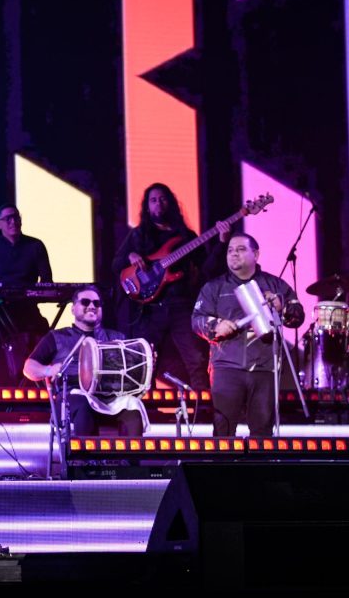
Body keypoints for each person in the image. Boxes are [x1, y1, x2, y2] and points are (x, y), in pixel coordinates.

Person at [112, 183, 230, 393]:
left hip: (181, 306)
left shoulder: (186, 236)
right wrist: (130, 255)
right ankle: (146, 407)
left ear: (171, 203)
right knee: (145, 362)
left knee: (196, 358)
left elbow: (207, 269)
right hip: (149, 310)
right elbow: (116, 264)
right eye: (153, 200)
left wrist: (222, 242)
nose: (158, 203)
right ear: (147, 206)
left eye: (163, 199)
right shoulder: (139, 235)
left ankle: (202, 407)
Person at [192, 233, 304, 437]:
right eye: (230, 250)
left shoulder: (275, 285)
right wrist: (215, 325)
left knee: (262, 433)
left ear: (256, 254)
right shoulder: (214, 287)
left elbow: (298, 317)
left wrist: (283, 307)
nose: (234, 254)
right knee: (223, 432)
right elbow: (196, 320)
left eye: (241, 249)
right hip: (226, 367)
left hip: (265, 368)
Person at [23, 286, 145, 436]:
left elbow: (133, 371)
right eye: (85, 302)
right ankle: (86, 452)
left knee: (133, 406)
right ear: (73, 309)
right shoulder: (57, 337)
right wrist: (48, 370)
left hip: (109, 396)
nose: (92, 306)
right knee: (83, 403)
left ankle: (132, 452)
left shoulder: (117, 338)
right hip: (72, 396)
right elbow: (28, 367)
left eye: (97, 303)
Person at [0, 204, 54, 386]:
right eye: (7, 219)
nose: (13, 221)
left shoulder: (35, 245)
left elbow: (47, 282)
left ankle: (56, 392)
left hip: (27, 308)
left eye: (16, 217)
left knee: (49, 342)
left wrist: (32, 293)